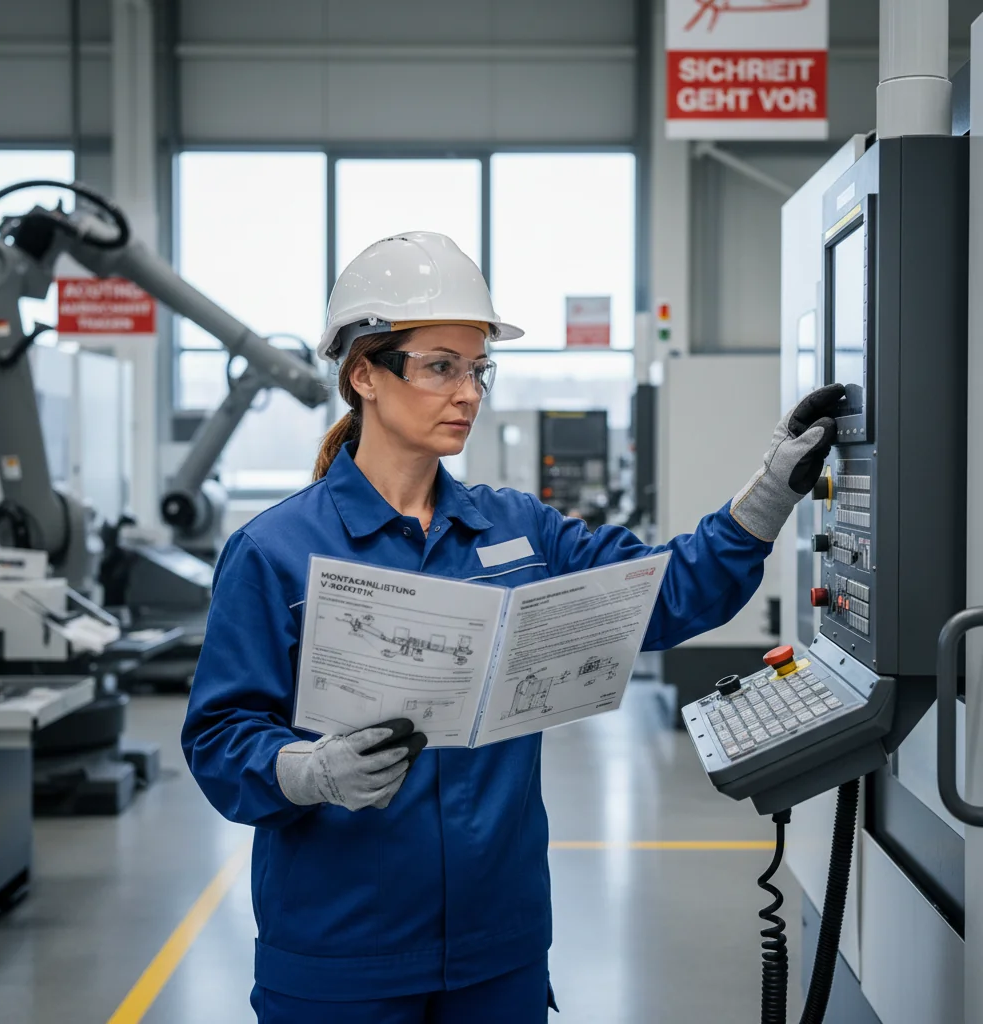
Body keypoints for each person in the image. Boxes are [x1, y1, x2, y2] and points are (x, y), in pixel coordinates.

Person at [182, 231, 843, 1023]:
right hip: (341, 954)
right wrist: (308, 772)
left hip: (498, 949)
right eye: (440, 366)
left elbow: (662, 593)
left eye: (477, 369)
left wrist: (769, 494)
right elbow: (219, 737)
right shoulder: (274, 552)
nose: (468, 393)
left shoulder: (518, 531)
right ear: (364, 374)